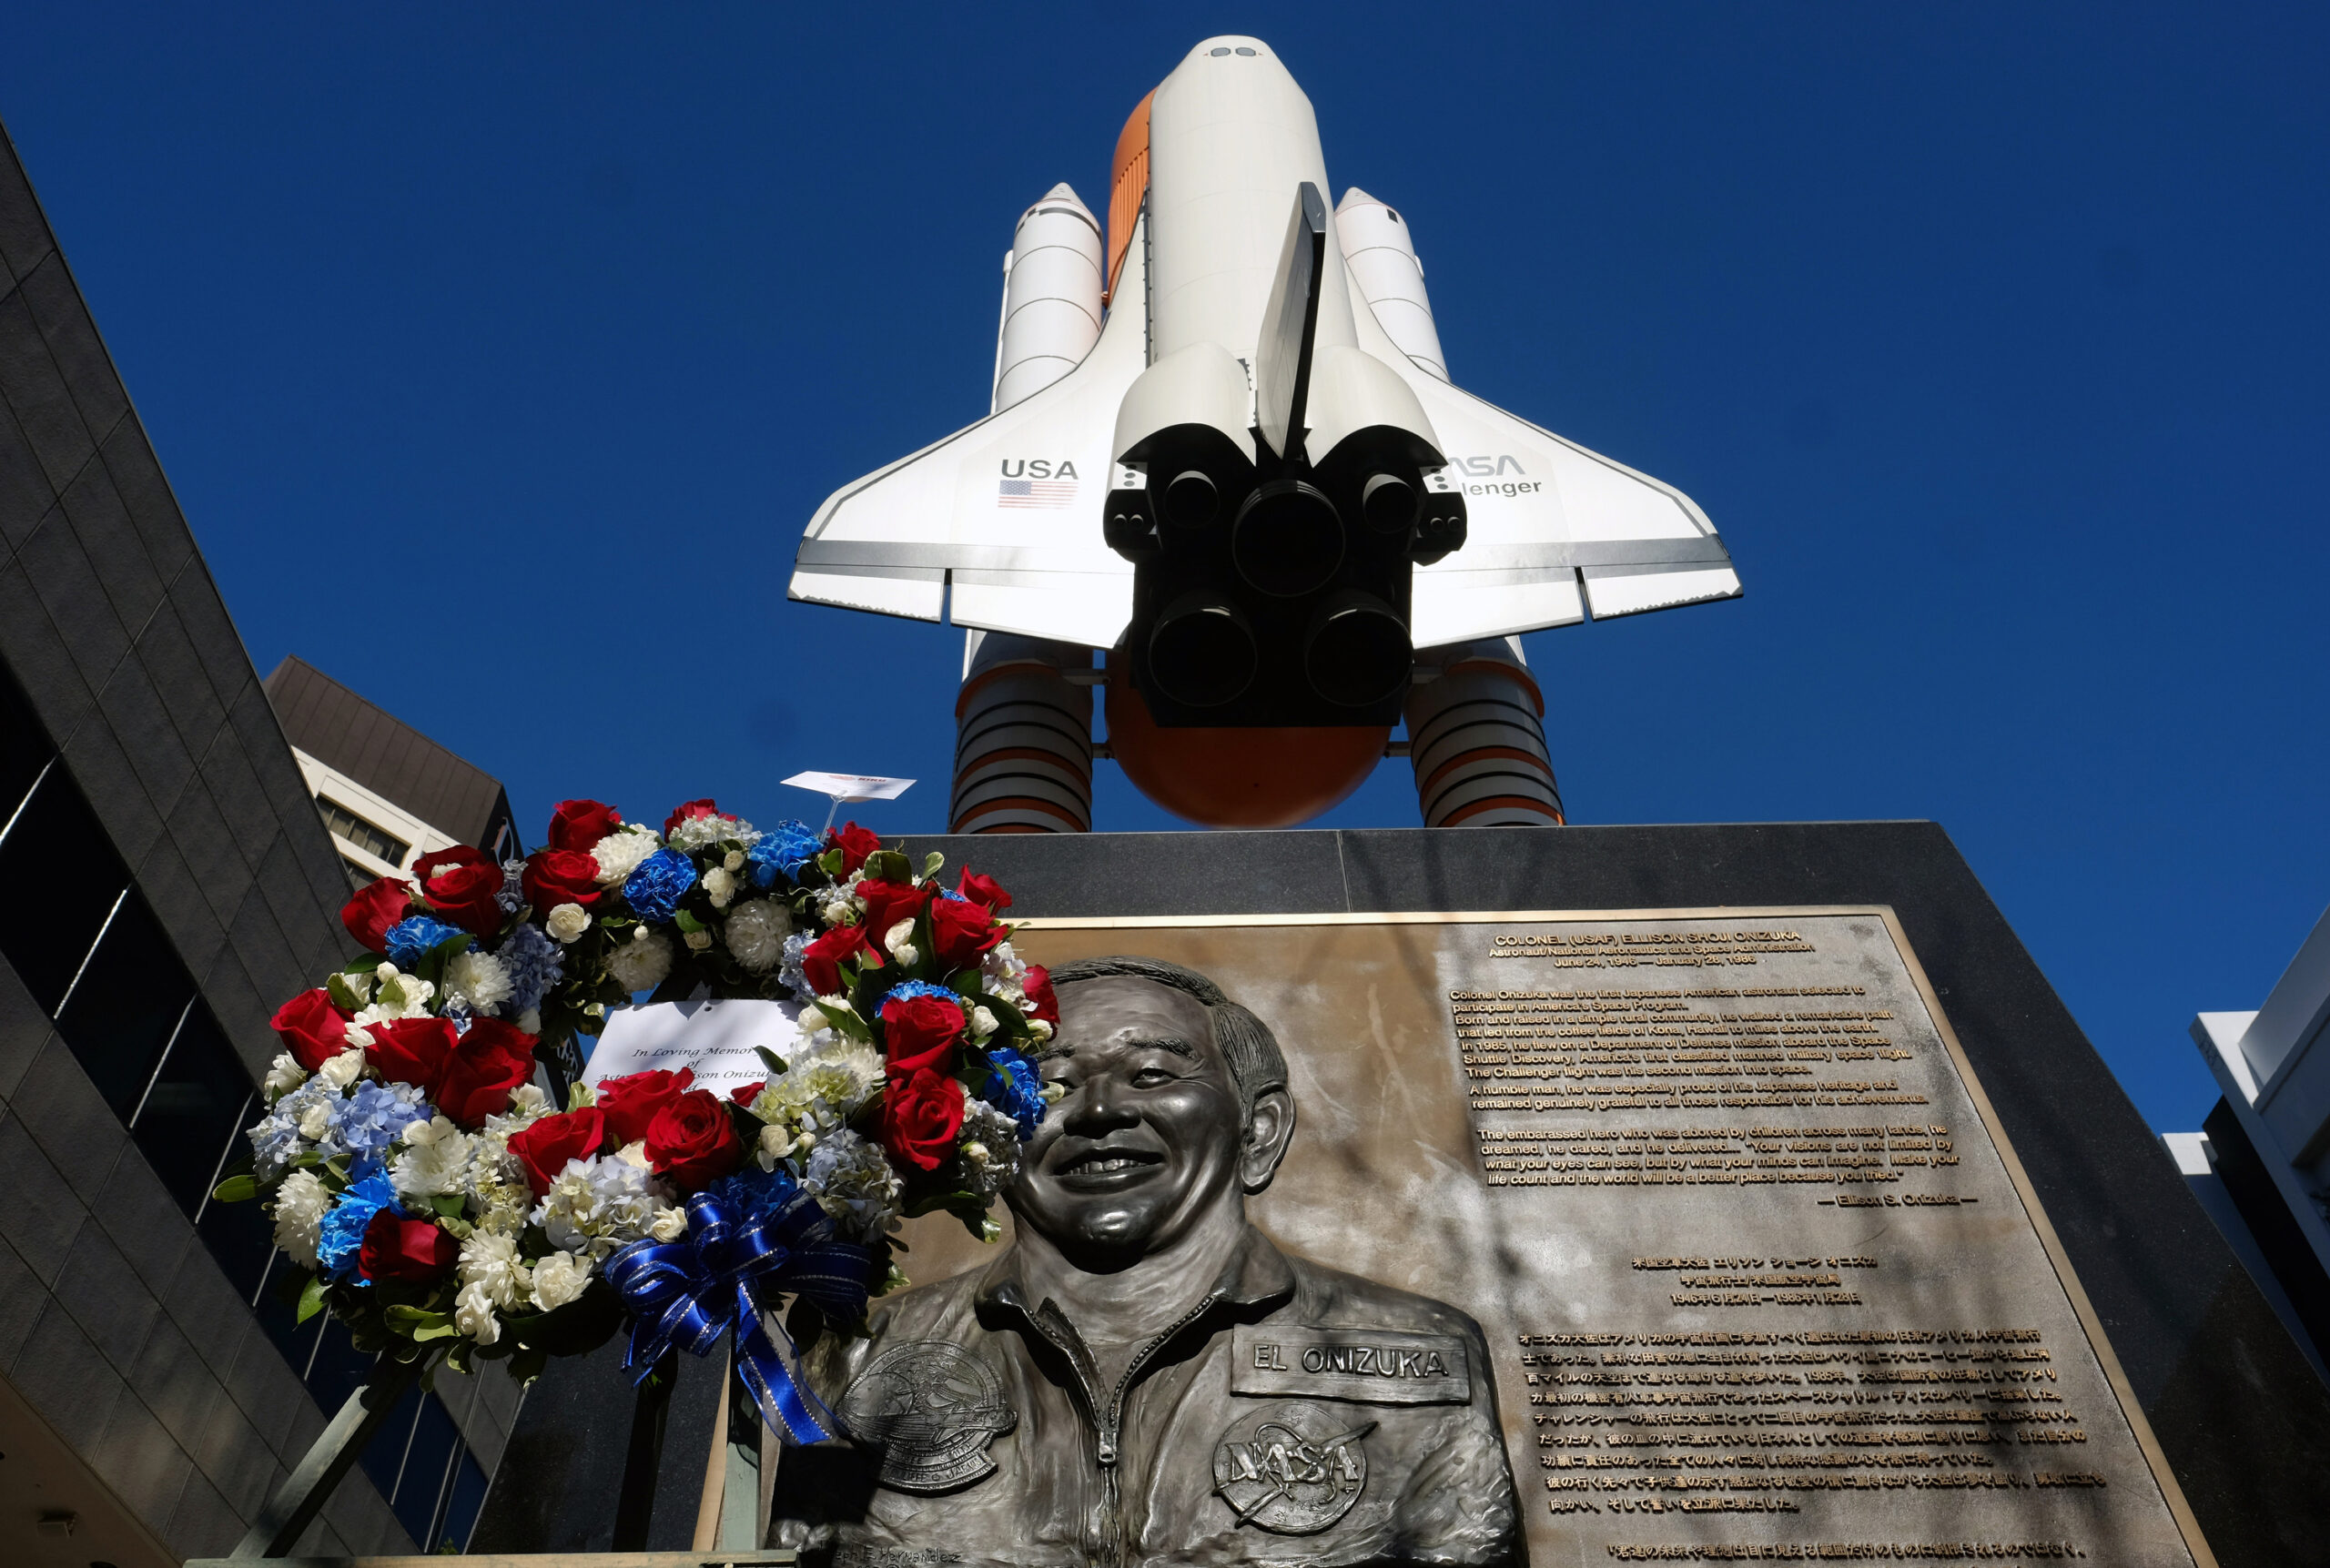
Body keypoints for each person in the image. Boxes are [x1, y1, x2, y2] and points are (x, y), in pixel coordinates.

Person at [766, 956, 1521, 1568]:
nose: (1098, 1110)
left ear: (1257, 1130)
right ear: (992, 1141)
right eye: (1050, 1085)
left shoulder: (1420, 1355)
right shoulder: (866, 1354)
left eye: (1154, 1074)